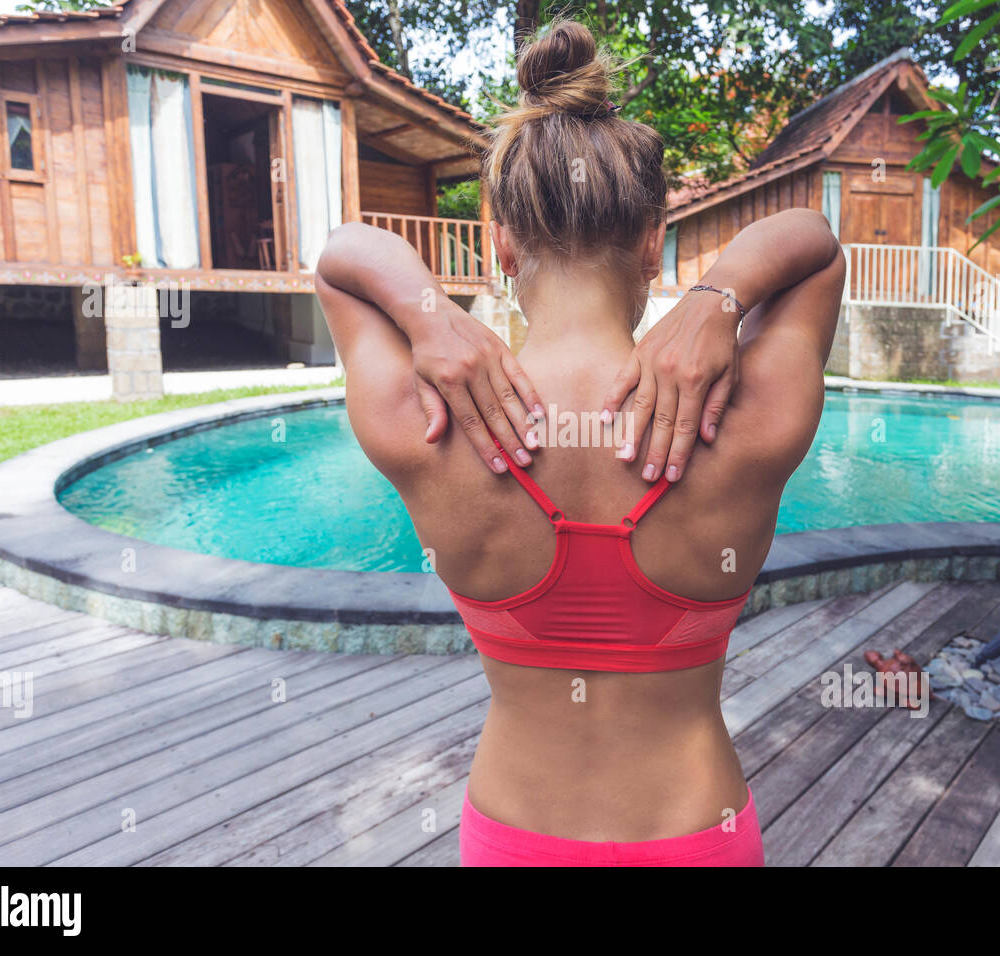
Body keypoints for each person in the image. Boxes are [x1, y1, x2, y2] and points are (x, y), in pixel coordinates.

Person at [315, 18, 844, 866]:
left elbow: (340, 257)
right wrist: (720, 298)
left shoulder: (423, 425)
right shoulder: (745, 421)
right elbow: (816, 246)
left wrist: (431, 315)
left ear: (501, 248)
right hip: (695, 835)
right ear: (650, 244)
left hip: (514, 838)